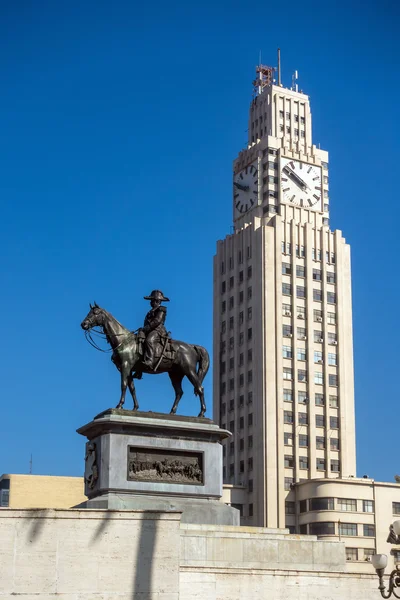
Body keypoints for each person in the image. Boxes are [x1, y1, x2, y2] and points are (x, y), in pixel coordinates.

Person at [141, 290, 169, 370]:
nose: (150, 302)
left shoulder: (161, 309)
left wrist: (147, 328)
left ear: (157, 301)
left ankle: (149, 361)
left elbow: (157, 321)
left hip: (158, 331)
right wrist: (143, 329)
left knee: (149, 340)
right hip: (149, 330)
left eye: (152, 300)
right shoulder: (150, 311)